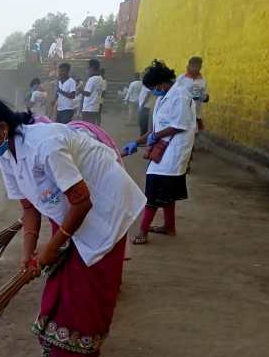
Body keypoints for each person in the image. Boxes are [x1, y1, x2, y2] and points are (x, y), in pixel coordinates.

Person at [0, 97, 145, 357]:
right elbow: (29, 209)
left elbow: (82, 201)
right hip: (72, 213)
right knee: (59, 287)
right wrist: (28, 252)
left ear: (1, 127)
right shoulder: (6, 155)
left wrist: (51, 247)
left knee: (84, 293)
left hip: (105, 209)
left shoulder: (44, 145)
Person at [122, 60, 196, 245]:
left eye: (154, 87)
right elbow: (156, 129)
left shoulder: (180, 95)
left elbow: (178, 126)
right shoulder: (163, 97)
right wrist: (136, 142)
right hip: (164, 148)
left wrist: (156, 135)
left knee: (154, 188)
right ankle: (169, 227)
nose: (154, 91)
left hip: (174, 150)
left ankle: (143, 232)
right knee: (166, 190)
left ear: (162, 82)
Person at [175, 56, 209, 131]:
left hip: (195, 115)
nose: (195, 68)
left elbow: (206, 98)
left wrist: (203, 97)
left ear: (200, 67)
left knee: (193, 137)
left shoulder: (203, 81)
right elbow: (174, 94)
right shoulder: (181, 78)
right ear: (189, 66)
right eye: (193, 66)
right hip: (180, 115)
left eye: (198, 66)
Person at [81, 59, 104, 124]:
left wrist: (80, 90)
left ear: (92, 68)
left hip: (88, 108)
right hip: (95, 107)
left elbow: (87, 93)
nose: (87, 70)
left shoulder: (92, 79)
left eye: (88, 68)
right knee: (92, 126)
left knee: (87, 127)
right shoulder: (100, 78)